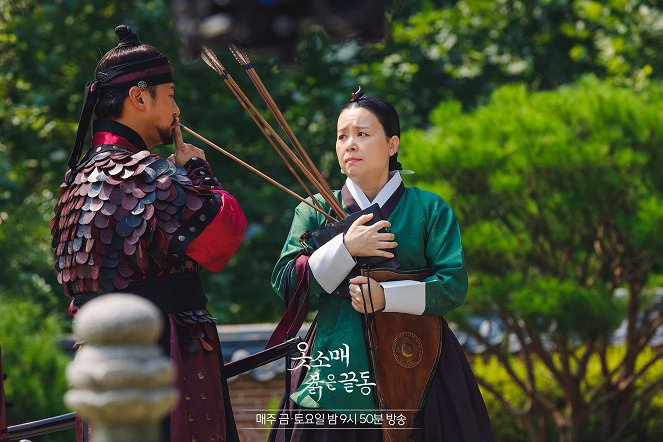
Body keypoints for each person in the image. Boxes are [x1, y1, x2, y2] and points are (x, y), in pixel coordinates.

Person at [50, 25, 246, 442]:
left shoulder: (72, 185)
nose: (178, 109)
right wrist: (198, 172)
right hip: (164, 358)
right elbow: (224, 236)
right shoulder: (155, 176)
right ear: (139, 97)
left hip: (100, 366)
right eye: (171, 94)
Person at [269, 89, 494, 441]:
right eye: (342, 136)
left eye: (362, 134)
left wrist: (385, 296)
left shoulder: (429, 209)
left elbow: (452, 286)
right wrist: (345, 246)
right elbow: (285, 282)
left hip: (420, 360)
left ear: (392, 145)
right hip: (337, 365)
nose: (350, 144)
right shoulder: (311, 209)